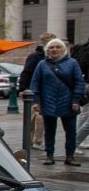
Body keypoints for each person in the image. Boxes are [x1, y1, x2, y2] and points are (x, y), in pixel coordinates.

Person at [31, 38, 83, 166]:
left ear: (63, 49)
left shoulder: (72, 63)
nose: (54, 49)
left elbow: (78, 82)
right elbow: (35, 83)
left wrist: (76, 99)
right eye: (51, 47)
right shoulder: (42, 64)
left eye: (57, 47)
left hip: (69, 102)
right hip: (48, 102)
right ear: (47, 50)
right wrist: (36, 101)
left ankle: (70, 156)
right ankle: (49, 155)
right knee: (49, 131)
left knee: (71, 131)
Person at [20, 32, 55, 150]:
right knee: (38, 116)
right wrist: (23, 89)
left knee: (35, 117)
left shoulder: (51, 58)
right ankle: (36, 141)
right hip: (34, 91)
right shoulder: (36, 57)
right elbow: (26, 73)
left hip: (44, 91)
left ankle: (31, 140)